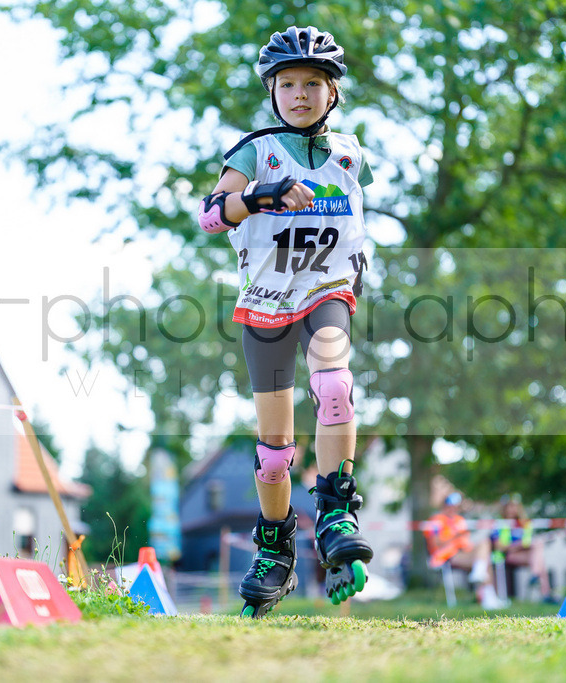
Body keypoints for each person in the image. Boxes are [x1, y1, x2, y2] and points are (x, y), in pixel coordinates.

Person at [197, 25, 374, 617]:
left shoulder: (351, 152)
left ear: (333, 93)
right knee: (275, 452)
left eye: (314, 84)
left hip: (325, 289)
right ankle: (276, 546)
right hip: (266, 298)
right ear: (273, 91)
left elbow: (353, 211)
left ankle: (335, 507)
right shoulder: (255, 150)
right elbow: (210, 217)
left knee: (335, 385)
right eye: (288, 83)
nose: (300, 94)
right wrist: (263, 196)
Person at [424, 492, 507, 609]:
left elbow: (465, 541)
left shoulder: (459, 520)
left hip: (462, 552)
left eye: (456, 506)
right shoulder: (436, 520)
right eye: (451, 506)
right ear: (445, 506)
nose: (454, 509)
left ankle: (482, 582)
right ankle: (488, 597)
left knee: (484, 546)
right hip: (446, 556)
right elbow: (435, 543)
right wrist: (456, 536)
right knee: (484, 562)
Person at [490, 494, 554, 601]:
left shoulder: (525, 524)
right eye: (510, 506)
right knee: (539, 560)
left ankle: (536, 577)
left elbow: (527, 542)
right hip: (506, 556)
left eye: (514, 506)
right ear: (505, 508)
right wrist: (517, 546)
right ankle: (543, 589)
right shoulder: (500, 523)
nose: (512, 509)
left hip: (521, 553)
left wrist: (522, 545)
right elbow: (499, 546)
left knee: (538, 550)